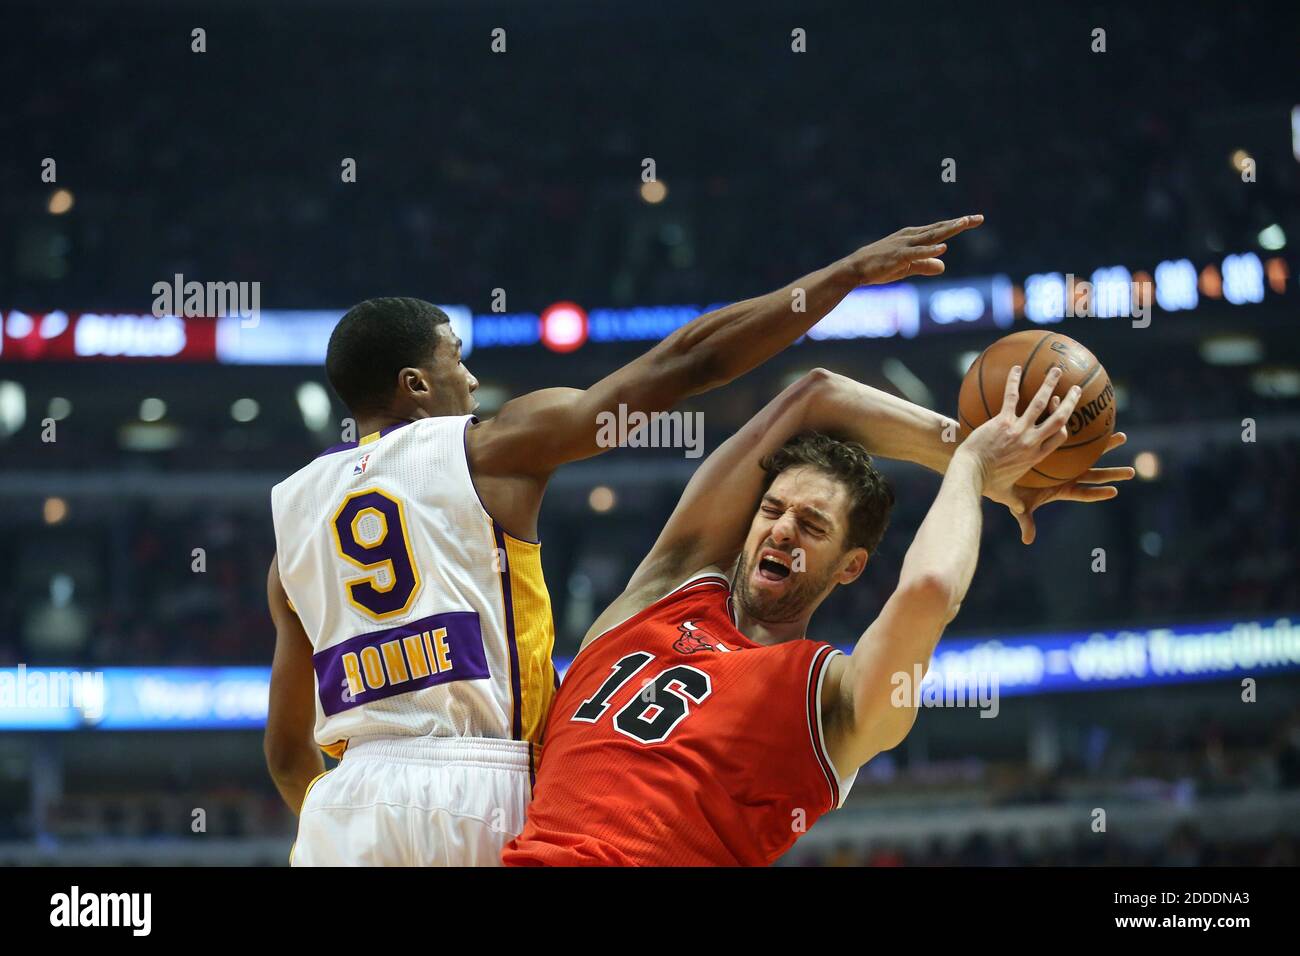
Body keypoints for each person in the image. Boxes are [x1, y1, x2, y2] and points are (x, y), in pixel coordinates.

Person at [262, 215, 985, 865]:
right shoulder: (491, 447)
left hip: (345, 804)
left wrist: (350, 824)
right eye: (458, 358)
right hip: (476, 783)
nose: (473, 380)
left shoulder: (290, 520)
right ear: (416, 383)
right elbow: (685, 364)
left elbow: (288, 755)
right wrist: (841, 277)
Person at [503, 364, 1132, 865]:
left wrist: (973, 473)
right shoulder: (664, 590)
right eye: (772, 510)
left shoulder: (830, 697)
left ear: (849, 566)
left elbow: (932, 589)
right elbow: (816, 395)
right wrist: (961, 446)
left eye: (811, 526)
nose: (781, 531)